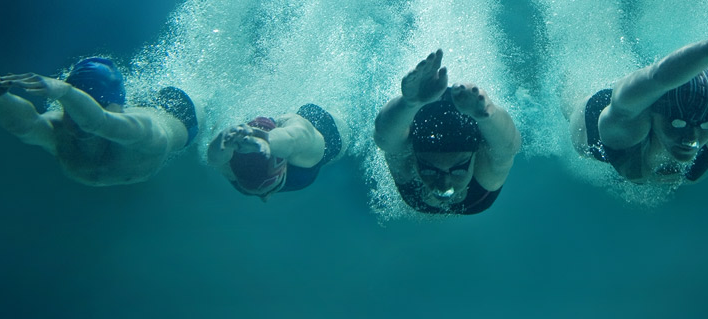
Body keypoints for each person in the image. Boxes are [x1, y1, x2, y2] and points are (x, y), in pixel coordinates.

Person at [570, 32, 708, 185]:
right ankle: (566, 82)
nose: (691, 136)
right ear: (652, 112)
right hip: (595, 123)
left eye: (705, 124)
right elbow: (657, 78)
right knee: (572, 98)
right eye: (677, 124)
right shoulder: (628, 125)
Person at [0, 57, 198, 186]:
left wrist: (65, 93)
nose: (76, 122)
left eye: (97, 106)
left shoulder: (143, 130)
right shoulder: (59, 126)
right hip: (111, 104)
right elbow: (25, 126)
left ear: (118, 109)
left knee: (204, 100)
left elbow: (97, 122)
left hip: (181, 114)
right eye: (69, 111)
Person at [374, 49, 521, 215]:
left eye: (459, 171)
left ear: (477, 154)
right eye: (428, 170)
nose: (444, 185)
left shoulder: (484, 166)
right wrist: (410, 104)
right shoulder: (408, 160)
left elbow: (384, 137)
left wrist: (488, 114)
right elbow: (508, 146)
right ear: (413, 156)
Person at [207, 104, 347, 201]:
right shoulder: (306, 157)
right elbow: (295, 137)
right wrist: (268, 139)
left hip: (252, 176)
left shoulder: (231, 171)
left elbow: (214, 158)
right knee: (313, 115)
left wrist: (223, 138)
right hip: (326, 135)